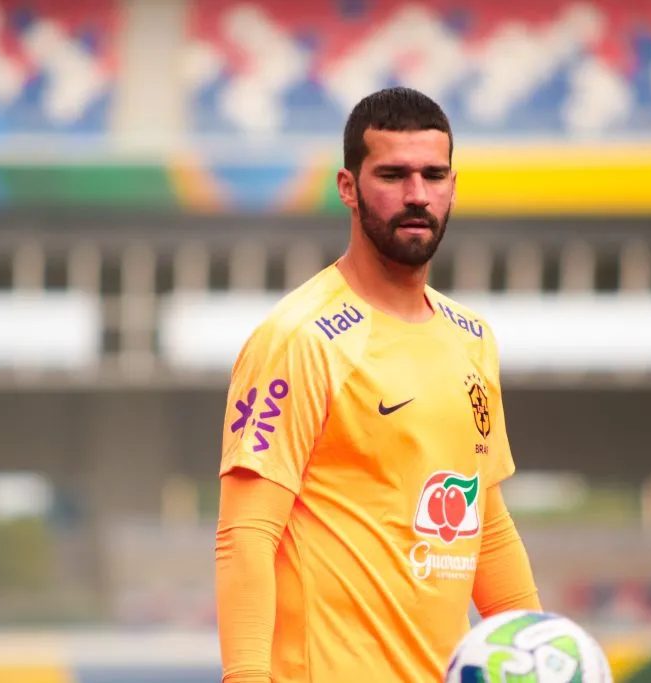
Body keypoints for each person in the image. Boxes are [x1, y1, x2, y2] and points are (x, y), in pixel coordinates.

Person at [214, 86, 541, 683]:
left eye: (433, 175)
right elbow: (246, 536)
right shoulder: (300, 338)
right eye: (393, 175)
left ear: (453, 186)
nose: (417, 195)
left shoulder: (472, 338)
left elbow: (487, 530)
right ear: (348, 187)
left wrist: (541, 657)